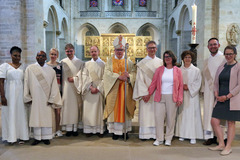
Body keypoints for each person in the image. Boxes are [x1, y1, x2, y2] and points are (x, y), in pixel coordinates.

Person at [24, 51, 62, 145]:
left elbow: (54, 86)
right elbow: (26, 83)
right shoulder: (30, 68)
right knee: (36, 117)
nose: (40, 57)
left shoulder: (51, 70)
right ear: (36, 57)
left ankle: (46, 137)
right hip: (35, 98)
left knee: (46, 117)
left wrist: (52, 98)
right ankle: (37, 137)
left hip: (46, 99)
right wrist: (27, 97)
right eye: (38, 55)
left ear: (46, 58)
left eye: (42, 56)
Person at [103, 35, 136, 140]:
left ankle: (124, 131)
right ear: (114, 50)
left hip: (125, 90)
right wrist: (119, 76)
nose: (119, 52)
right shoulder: (109, 61)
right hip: (114, 89)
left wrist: (129, 76)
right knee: (114, 110)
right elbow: (106, 73)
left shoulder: (129, 62)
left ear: (124, 50)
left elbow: (134, 73)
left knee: (125, 110)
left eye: (121, 50)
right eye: (117, 50)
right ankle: (115, 132)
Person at [209, 46, 240, 156]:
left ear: (235, 54)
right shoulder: (221, 66)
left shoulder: (238, 66)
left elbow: (239, 86)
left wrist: (227, 96)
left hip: (232, 98)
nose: (228, 56)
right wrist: (216, 92)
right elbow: (216, 82)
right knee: (214, 121)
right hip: (220, 98)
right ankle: (221, 143)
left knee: (230, 123)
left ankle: (228, 146)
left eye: (230, 54)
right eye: (226, 54)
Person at [148, 50, 183, 146]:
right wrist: (148, 93)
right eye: (165, 57)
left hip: (172, 97)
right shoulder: (159, 70)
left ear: (172, 58)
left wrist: (180, 98)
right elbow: (154, 83)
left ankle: (168, 138)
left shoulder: (177, 70)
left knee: (170, 119)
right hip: (160, 96)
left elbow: (180, 86)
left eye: (169, 56)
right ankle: (159, 139)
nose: (167, 58)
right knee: (159, 118)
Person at [133, 41, 163, 140]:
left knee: (156, 114)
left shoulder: (161, 62)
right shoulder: (142, 63)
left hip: (158, 92)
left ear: (156, 49)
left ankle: (155, 134)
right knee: (146, 115)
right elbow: (139, 79)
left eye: (154, 48)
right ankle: (145, 135)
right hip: (146, 94)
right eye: (150, 48)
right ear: (146, 49)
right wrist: (145, 93)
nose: (152, 50)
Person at [0, 46, 29, 144]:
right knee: (10, 114)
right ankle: (11, 137)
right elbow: (1, 82)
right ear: (11, 55)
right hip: (9, 94)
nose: (17, 57)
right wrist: (2, 96)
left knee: (21, 114)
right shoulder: (5, 66)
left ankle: (22, 136)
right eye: (15, 55)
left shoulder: (23, 66)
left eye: (19, 56)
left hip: (21, 94)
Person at [175, 50, 203, 144]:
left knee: (192, 115)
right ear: (183, 58)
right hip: (181, 94)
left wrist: (189, 87)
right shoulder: (179, 70)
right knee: (182, 114)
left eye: (189, 57)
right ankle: (182, 134)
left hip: (192, 96)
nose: (187, 59)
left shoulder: (196, 70)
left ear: (192, 59)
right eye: (186, 57)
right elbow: (175, 81)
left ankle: (192, 136)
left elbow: (198, 83)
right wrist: (182, 86)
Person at [201, 38, 226, 145]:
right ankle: (210, 136)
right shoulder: (206, 61)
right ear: (208, 47)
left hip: (221, 90)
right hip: (208, 90)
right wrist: (203, 89)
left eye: (214, 44)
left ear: (219, 45)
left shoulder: (224, 59)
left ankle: (222, 136)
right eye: (210, 45)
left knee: (221, 113)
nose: (213, 46)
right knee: (208, 112)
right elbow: (204, 76)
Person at [80, 46, 105, 136]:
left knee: (98, 111)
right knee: (89, 111)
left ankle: (99, 130)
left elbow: (105, 78)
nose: (93, 53)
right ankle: (88, 130)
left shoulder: (103, 64)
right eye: (92, 51)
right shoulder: (86, 64)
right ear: (90, 53)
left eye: (95, 51)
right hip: (89, 91)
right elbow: (84, 76)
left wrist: (98, 88)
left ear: (98, 52)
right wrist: (90, 87)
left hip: (98, 91)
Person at [61, 43, 84, 137]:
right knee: (67, 108)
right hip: (66, 88)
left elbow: (82, 74)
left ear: (74, 51)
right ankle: (68, 129)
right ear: (65, 51)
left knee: (75, 108)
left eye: (71, 51)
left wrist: (74, 79)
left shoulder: (80, 62)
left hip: (75, 88)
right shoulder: (62, 62)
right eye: (67, 51)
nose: (69, 53)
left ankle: (75, 129)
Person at [47, 48, 63, 137]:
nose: (53, 56)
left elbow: (62, 78)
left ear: (57, 56)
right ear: (49, 55)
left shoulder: (60, 66)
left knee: (58, 111)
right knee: (49, 111)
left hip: (58, 90)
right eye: (52, 54)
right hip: (48, 91)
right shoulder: (46, 66)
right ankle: (51, 130)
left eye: (55, 54)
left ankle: (58, 129)